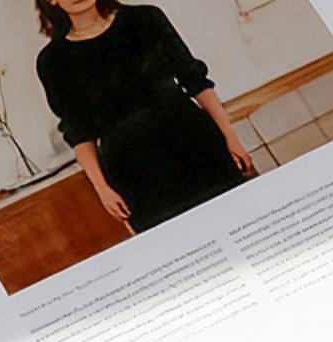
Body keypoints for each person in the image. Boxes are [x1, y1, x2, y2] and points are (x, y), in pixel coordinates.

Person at [35, 1, 255, 235]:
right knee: (180, 245)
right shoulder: (53, 61)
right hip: (133, 171)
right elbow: (78, 131)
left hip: (196, 144)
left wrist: (231, 137)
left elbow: (195, 80)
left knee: (241, 227)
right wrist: (102, 188)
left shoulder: (146, 19)